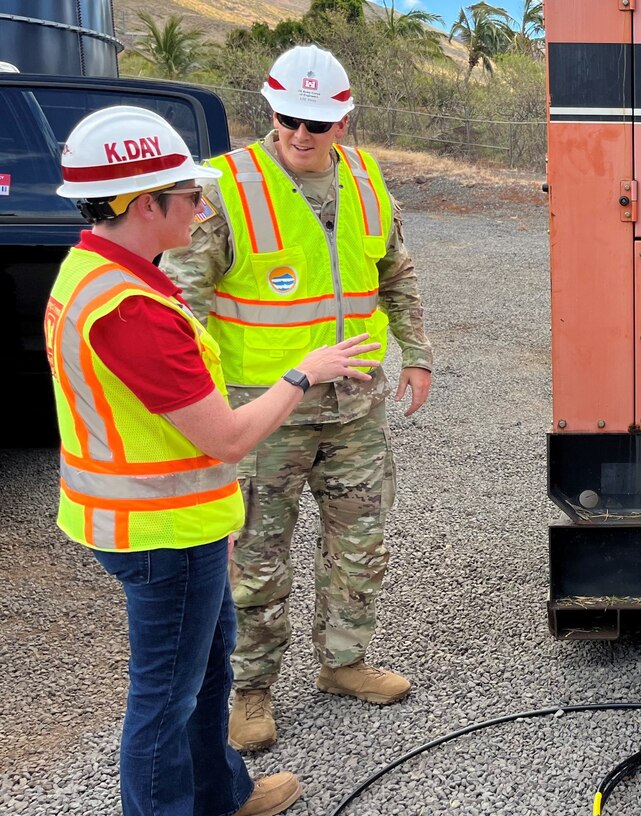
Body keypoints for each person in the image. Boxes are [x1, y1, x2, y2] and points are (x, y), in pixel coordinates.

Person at [46, 105, 383, 815]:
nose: (203, 208)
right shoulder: (129, 310)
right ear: (145, 205)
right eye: (190, 196)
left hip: (178, 520)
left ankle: (221, 793)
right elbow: (228, 438)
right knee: (165, 699)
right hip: (161, 532)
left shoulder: (99, 272)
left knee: (197, 677)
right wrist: (302, 373)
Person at [159, 44, 433, 752]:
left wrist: (419, 354)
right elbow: (181, 307)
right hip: (265, 412)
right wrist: (204, 408)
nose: (300, 135)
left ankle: (344, 664)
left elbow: (396, 275)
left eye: (317, 123)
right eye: (287, 119)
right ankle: (250, 693)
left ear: (345, 121)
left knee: (360, 546)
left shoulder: (369, 179)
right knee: (256, 558)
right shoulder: (222, 187)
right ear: (269, 110)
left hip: (354, 407)